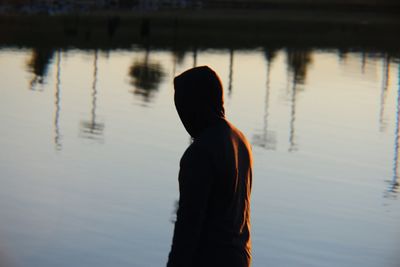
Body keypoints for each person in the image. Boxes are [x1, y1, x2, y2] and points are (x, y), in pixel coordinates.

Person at [167, 66, 253, 267]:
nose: (183, 117)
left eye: (183, 107)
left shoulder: (200, 154)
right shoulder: (241, 141)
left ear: (198, 105)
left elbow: (188, 228)